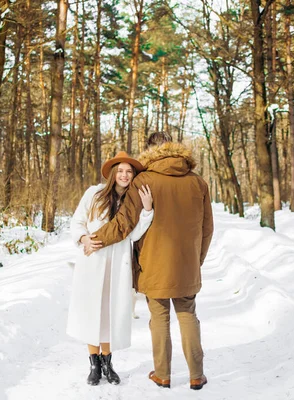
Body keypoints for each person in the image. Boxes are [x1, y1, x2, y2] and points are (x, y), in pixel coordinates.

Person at [86, 132, 214, 391]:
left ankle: (163, 375)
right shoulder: (198, 182)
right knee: (188, 314)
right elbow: (207, 228)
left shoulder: (144, 180)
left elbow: (123, 224)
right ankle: (196, 376)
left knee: (159, 317)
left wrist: (94, 239)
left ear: (149, 151)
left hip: (154, 264)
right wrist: (196, 260)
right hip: (186, 264)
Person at [67, 151, 154, 386]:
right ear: (113, 173)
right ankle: (94, 364)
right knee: (91, 311)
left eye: (129, 171)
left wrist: (146, 211)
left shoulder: (133, 200)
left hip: (118, 263)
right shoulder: (93, 194)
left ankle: (108, 362)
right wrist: (83, 238)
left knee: (110, 312)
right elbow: (77, 221)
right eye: (121, 171)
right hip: (93, 261)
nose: (125, 175)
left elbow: (134, 234)